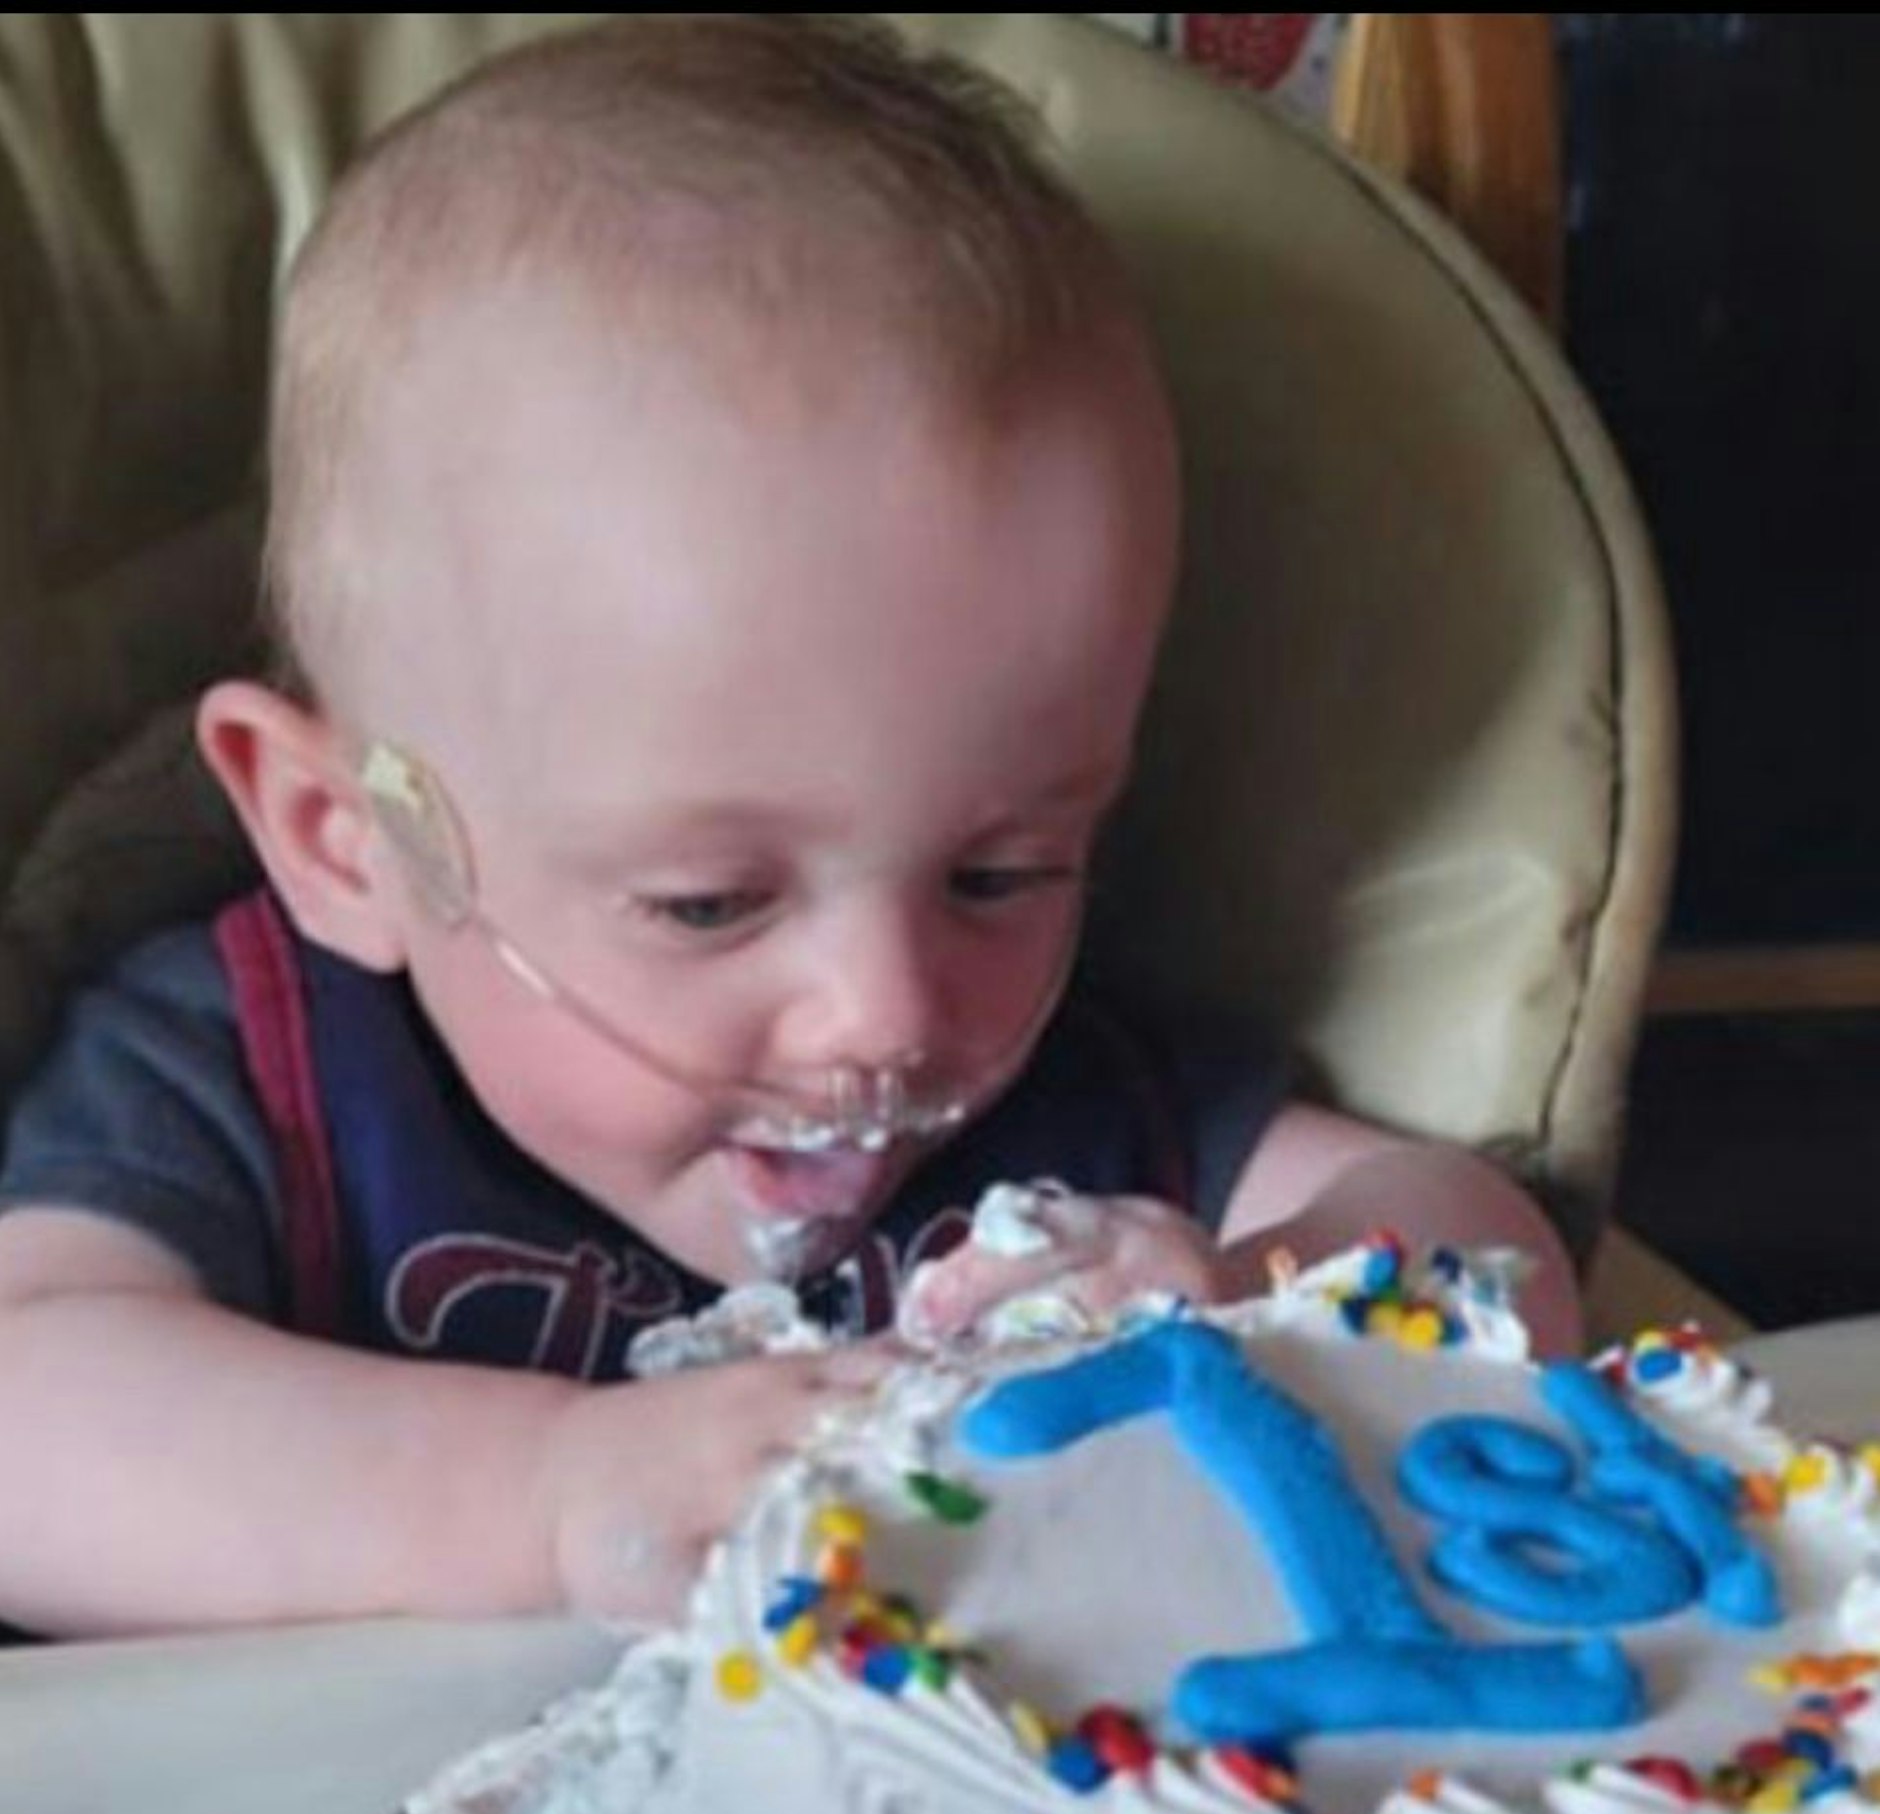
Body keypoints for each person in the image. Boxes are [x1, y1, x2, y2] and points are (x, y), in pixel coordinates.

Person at [0, 16, 1575, 1640]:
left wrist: (1254, 1299)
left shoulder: (1067, 1135)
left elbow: (1495, 1245)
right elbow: (27, 1429)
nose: (891, 1010)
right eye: (705, 902)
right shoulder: (246, 1080)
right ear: (346, 840)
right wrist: (546, 1492)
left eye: (999, 871)